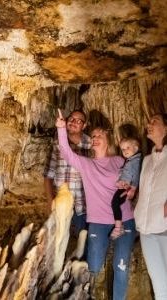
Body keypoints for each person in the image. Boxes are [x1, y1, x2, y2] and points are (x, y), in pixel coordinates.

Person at [56, 109, 136, 300]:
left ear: (108, 138)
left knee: (121, 267)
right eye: (93, 136)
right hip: (98, 222)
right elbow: (66, 152)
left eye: (100, 135)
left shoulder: (119, 161)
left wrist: (134, 188)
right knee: (92, 267)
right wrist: (60, 129)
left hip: (125, 220)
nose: (96, 138)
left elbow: (135, 175)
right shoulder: (87, 164)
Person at [134, 113, 167, 300]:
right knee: (159, 284)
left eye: (155, 121)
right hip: (146, 228)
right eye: (149, 121)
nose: (149, 124)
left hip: (164, 227)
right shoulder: (146, 160)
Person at [44, 109, 91, 235]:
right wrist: (50, 201)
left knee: (81, 243)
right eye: (71, 119)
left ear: (84, 125)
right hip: (60, 203)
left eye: (78, 121)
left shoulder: (92, 144)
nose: (73, 122)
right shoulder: (57, 144)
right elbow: (48, 175)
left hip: (82, 205)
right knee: (58, 243)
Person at [110, 137, 142, 239]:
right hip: (125, 186)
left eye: (128, 147)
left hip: (127, 188)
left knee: (115, 203)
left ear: (136, 148)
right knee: (117, 203)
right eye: (123, 149)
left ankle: (119, 228)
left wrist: (132, 188)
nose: (125, 151)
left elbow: (136, 175)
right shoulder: (131, 160)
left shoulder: (135, 161)